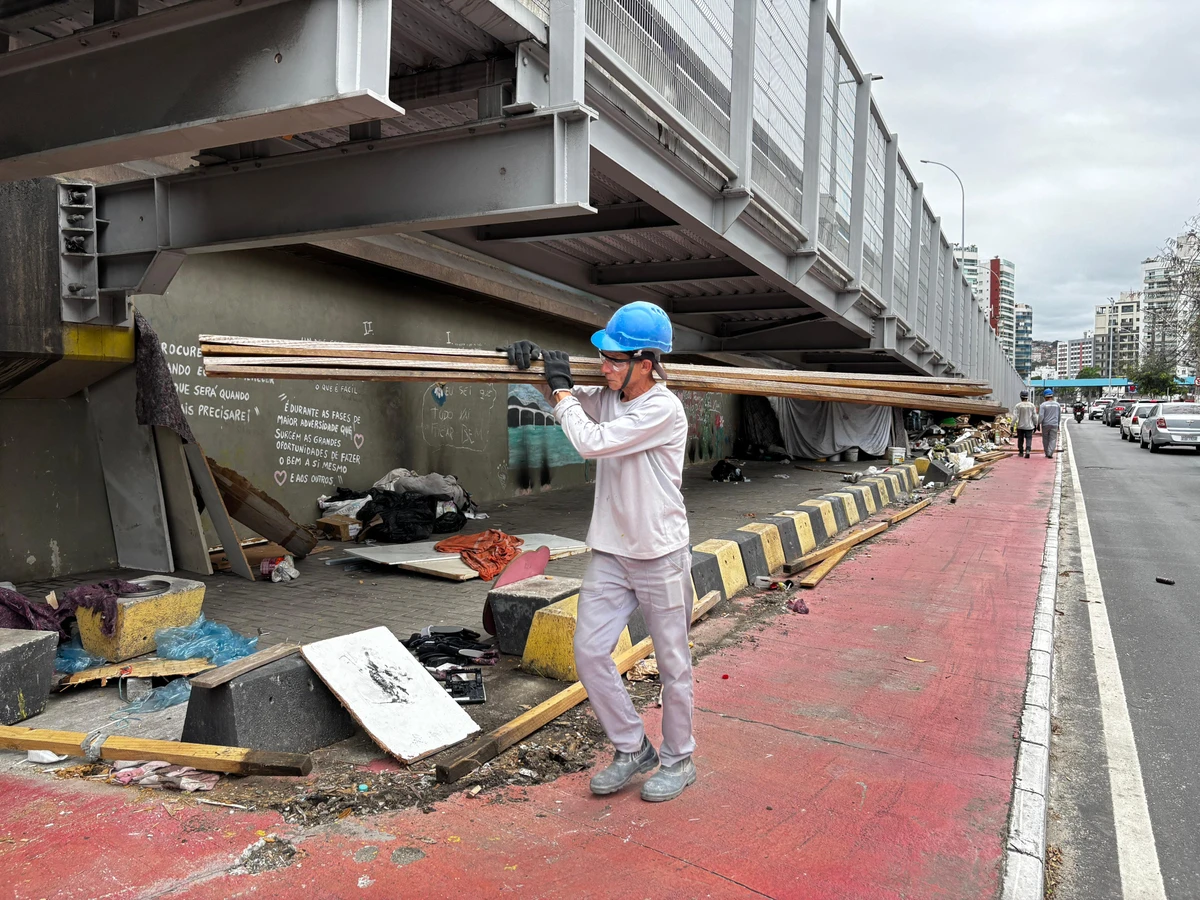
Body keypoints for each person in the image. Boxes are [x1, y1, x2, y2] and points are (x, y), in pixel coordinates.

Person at [503, 301, 696, 802]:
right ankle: (633, 747)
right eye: (603, 358)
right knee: (589, 653)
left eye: (613, 359)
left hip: (659, 553)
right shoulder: (611, 393)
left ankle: (679, 759)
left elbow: (589, 440)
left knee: (673, 665)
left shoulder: (662, 408)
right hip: (611, 552)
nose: (604, 367)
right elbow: (565, 397)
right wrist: (533, 366)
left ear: (645, 365)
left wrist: (562, 387)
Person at [1036, 388, 1062, 458]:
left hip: (1045, 425)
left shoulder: (1043, 405)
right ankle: (1050, 452)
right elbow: (1059, 415)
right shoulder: (1057, 405)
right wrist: (1058, 424)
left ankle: (1047, 453)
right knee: (1053, 439)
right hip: (1054, 424)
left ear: (1045, 396)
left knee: (1045, 439)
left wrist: (1038, 423)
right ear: (1052, 396)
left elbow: (1041, 415)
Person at [1013, 390, 1036, 458]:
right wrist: (1035, 424)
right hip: (1029, 426)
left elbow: (1015, 417)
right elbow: (1034, 416)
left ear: (1020, 397)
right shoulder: (1032, 405)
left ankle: (1021, 452)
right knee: (1029, 438)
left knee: (1020, 439)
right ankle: (1028, 450)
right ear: (1027, 397)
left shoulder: (1018, 405)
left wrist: (1012, 425)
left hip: (1020, 426)